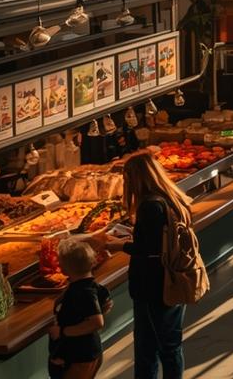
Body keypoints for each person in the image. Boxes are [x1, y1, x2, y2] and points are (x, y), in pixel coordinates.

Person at [93, 150, 194, 378]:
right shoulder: (172, 198)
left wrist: (116, 245)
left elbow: (147, 250)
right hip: (174, 278)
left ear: (136, 179)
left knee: (148, 348)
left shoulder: (149, 206)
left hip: (152, 286)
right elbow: (158, 241)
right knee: (170, 343)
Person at [49, 236, 110, 379]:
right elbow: (104, 303)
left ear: (64, 269)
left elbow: (97, 322)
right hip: (87, 352)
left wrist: (63, 332)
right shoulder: (88, 285)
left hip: (81, 356)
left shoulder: (83, 292)